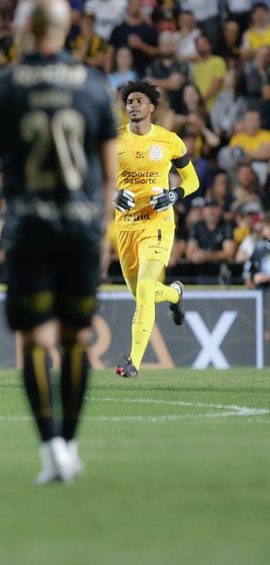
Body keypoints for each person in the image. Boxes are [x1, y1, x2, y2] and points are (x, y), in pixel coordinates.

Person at [0, 0, 117, 484]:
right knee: (75, 339)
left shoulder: (3, 87)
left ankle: (52, 448)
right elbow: (111, 175)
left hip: (28, 229)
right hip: (80, 228)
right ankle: (69, 443)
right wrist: (106, 233)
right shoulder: (95, 85)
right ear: (66, 29)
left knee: (34, 341)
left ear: (26, 29)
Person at [112, 79, 199, 378]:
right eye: (129, 102)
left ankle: (132, 362)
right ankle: (175, 295)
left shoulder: (169, 141)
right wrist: (112, 195)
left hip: (158, 223)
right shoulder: (114, 141)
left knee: (147, 288)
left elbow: (193, 181)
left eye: (138, 101)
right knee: (142, 296)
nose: (133, 105)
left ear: (152, 107)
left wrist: (174, 195)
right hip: (125, 227)